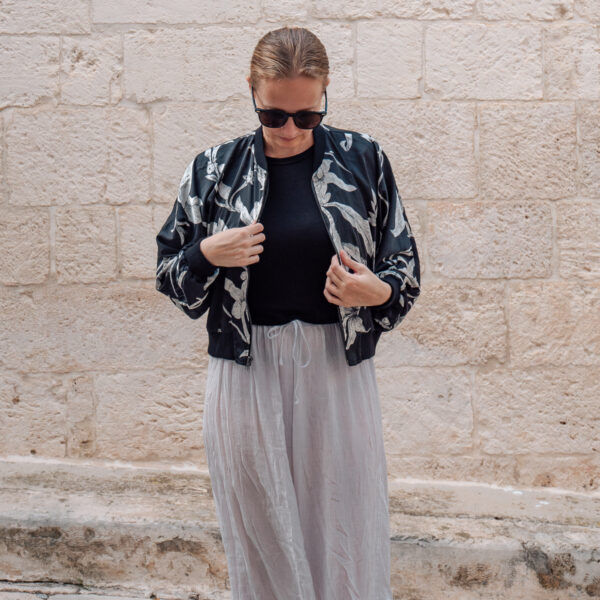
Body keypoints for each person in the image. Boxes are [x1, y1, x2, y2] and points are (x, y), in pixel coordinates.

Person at [156, 26, 420, 600]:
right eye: (274, 116)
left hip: (335, 369)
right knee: (261, 532)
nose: (291, 131)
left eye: (308, 116)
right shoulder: (213, 169)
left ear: (325, 97)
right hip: (245, 371)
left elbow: (405, 271)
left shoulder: (364, 160)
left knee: (342, 524)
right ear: (253, 93)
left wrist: (374, 292)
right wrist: (206, 253)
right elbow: (171, 279)